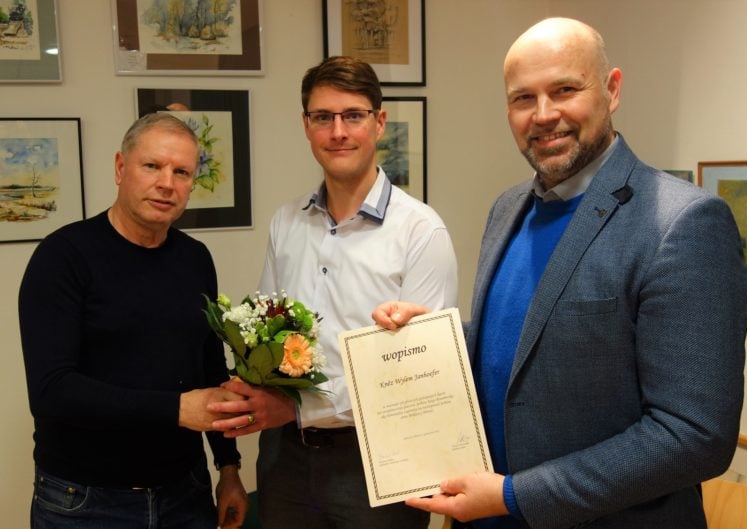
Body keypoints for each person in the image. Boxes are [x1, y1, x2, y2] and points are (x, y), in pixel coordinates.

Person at [373, 17, 747, 529]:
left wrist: (513, 496)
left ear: (612, 90)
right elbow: (532, 346)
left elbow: (694, 436)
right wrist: (435, 338)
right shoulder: (507, 209)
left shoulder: (683, 223)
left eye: (565, 90)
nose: (543, 115)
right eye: (523, 98)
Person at [207, 56, 459, 528]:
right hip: (285, 460)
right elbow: (270, 334)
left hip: (378, 462)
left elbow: (421, 374)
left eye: (353, 116)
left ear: (379, 122)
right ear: (306, 126)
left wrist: (297, 406)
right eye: (323, 117)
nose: (337, 131)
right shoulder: (287, 222)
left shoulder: (421, 231)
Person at [19, 113, 249, 529]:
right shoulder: (63, 257)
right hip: (85, 501)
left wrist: (228, 468)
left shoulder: (195, 259)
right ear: (121, 168)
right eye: (152, 166)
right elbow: (52, 391)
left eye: (182, 172)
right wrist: (176, 409)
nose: (167, 183)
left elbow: (209, 368)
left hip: (186, 492)